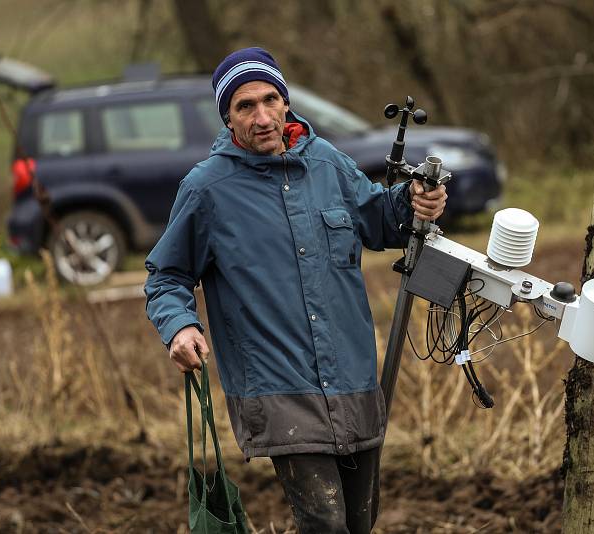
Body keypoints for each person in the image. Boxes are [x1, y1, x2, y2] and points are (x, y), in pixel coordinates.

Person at [145, 47, 447, 534]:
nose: (262, 117)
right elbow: (166, 276)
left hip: (351, 375)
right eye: (245, 107)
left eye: (270, 100)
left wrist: (415, 201)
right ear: (227, 117)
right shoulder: (207, 190)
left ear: (286, 102)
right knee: (325, 521)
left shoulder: (326, 162)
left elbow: (380, 221)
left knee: (360, 520)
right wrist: (179, 326)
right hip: (277, 386)